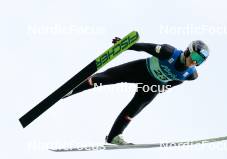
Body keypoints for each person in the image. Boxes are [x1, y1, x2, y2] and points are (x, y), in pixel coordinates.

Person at [63, 37, 209, 145]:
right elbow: (144, 47)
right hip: (141, 70)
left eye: (200, 61)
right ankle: (71, 90)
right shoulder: (168, 52)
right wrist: (125, 45)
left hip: (154, 85)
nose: (195, 62)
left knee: (134, 108)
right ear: (188, 51)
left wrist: (165, 87)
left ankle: (114, 136)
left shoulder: (192, 75)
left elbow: (178, 81)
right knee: (108, 77)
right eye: (196, 57)